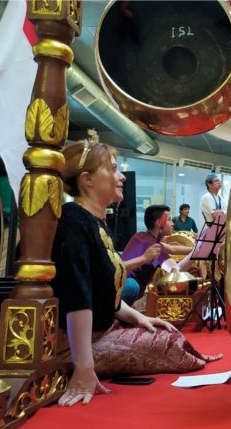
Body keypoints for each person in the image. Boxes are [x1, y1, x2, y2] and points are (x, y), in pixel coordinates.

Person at [52, 141, 220, 407]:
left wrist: (141, 318)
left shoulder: (95, 222)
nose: (121, 177)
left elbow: (106, 297)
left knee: (168, 333)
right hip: (75, 344)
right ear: (87, 179)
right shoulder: (74, 219)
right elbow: (78, 296)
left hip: (104, 327)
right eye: (113, 169)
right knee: (169, 344)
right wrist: (84, 367)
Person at [120, 205, 193, 305]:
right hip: (126, 289)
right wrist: (197, 253)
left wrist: (196, 248)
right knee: (132, 286)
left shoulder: (140, 236)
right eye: (169, 220)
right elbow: (176, 270)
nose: (173, 223)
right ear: (158, 223)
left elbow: (172, 248)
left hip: (115, 285)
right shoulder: (154, 247)